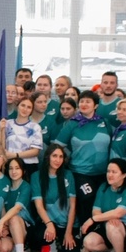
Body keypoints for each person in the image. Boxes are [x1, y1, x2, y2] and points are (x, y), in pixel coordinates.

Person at [54, 91, 112, 225]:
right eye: (81, 101)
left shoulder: (104, 122)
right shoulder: (72, 124)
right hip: (80, 173)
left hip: (103, 173)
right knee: (87, 199)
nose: (84, 104)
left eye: (88, 101)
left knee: (102, 203)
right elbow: (57, 146)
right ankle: (84, 231)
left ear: (96, 105)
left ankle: (99, 232)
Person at [29, 145, 79, 252]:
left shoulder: (68, 175)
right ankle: (49, 243)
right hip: (48, 222)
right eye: (54, 156)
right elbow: (39, 206)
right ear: (47, 157)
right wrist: (49, 224)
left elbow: (72, 206)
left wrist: (68, 232)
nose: (58, 160)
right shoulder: (36, 176)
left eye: (61, 157)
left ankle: (60, 242)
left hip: (65, 223)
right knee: (39, 237)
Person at [4, 96, 44, 178]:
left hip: (28, 166)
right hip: (10, 165)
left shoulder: (35, 127)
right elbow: (1, 144)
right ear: (17, 106)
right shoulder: (7, 124)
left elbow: (35, 151)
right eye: (23, 105)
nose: (25, 109)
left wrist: (15, 155)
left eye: (29, 107)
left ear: (31, 111)